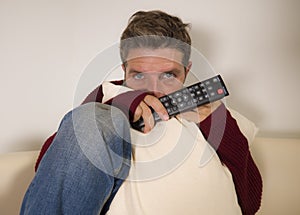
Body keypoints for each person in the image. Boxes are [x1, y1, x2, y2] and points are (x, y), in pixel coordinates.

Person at [20, 10, 262, 215]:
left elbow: (250, 202)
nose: (154, 90)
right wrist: (118, 104)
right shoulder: (106, 104)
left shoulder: (214, 114)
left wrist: (213, 121)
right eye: (139, 75)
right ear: (124, 70)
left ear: (186, 72)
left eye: (169, 75)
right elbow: (50, 181)